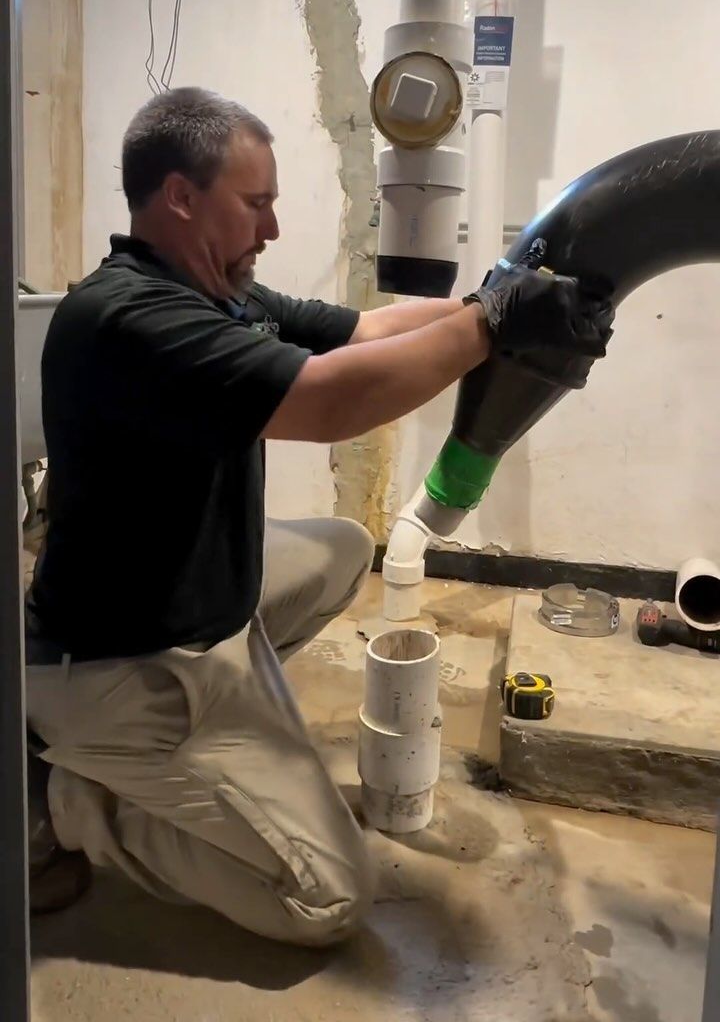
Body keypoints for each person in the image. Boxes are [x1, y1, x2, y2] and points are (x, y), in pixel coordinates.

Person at [25, 87, 613, 942]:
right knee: (327, 901)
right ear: (182, 197)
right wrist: (493, 327)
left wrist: (497, 299)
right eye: (255, 203)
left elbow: (368, 335)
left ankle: (195, 745)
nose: (270, 228)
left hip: (192, 615)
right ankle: (73, 797)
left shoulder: (221, 294)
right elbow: (332, 402)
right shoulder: (126, 318)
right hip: (118, 664)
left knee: (341, 549)